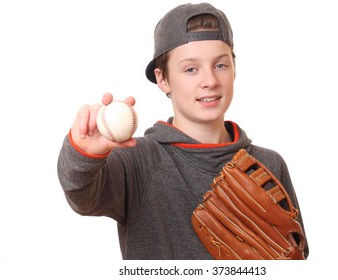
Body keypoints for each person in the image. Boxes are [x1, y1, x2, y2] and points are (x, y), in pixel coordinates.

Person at [57, 2, 309, 260]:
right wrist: (83, 156)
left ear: (234, 69)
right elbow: (82, 196)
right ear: (163, 79)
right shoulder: (139, 161)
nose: (210, 81)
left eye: (220, 65)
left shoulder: (268, 165)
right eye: (191, 69)